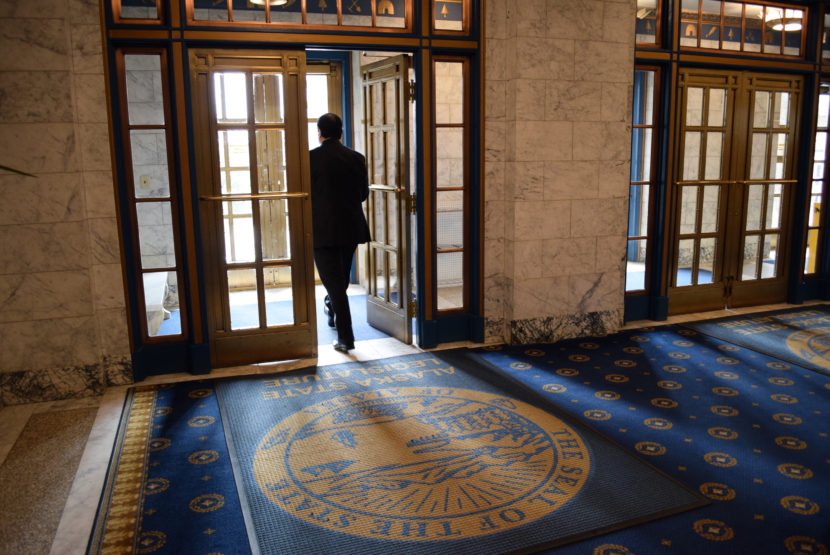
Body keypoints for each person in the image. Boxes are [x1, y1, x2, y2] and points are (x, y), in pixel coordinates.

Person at [310, 113, 371, 353]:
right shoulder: (356, 158)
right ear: (341, 132)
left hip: (322, 231)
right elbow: (363, 194)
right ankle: (332, 308)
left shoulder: (310, 159)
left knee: (335, 284)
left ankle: (346, 338)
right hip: (350, 228)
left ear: (320, 132)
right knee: (340, 281)